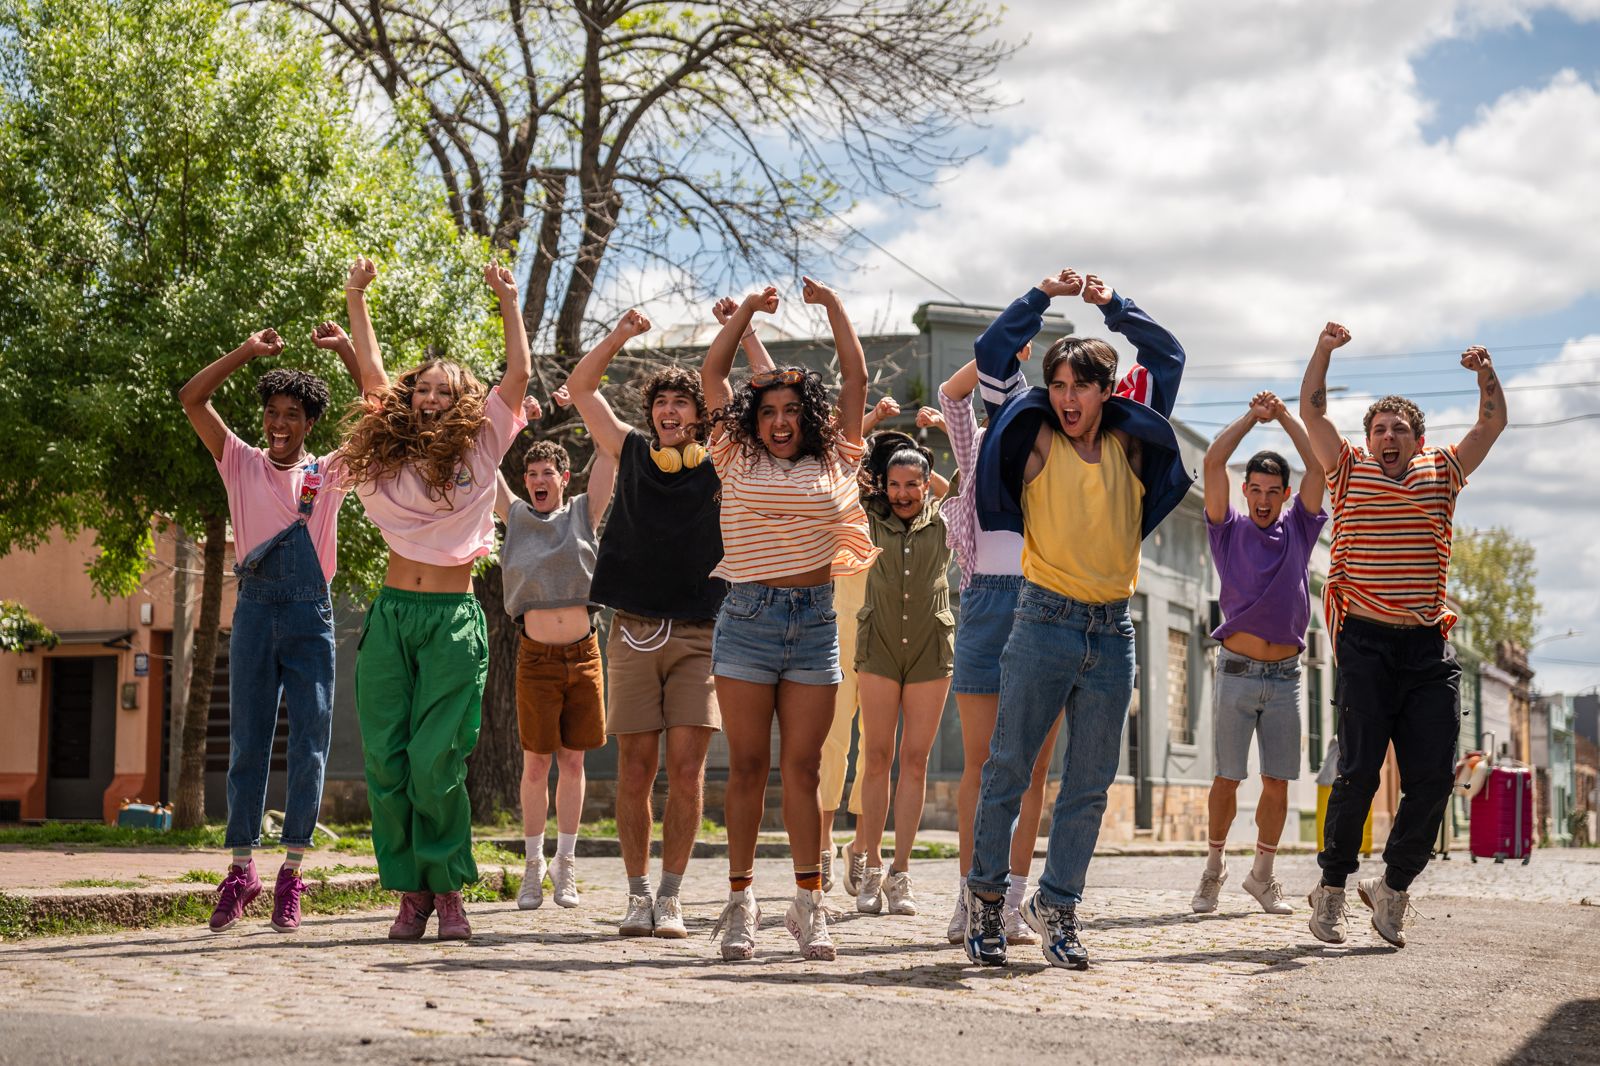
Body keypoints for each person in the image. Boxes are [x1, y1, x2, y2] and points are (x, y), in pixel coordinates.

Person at [964, 269, 1193, 971]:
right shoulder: (1036, 441)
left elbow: (1170, 356)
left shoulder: (1127, 442)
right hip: (1042, 621)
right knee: (1009, 769)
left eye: (1079, 387)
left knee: (1089, 785)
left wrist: (1111, 307)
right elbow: (994, 352)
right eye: (1057, 386)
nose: (1065, 399)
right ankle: (984, 904)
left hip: (1112, 629)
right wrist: (1041, 299)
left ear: (1105, 391)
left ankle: (1059, 909)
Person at [340, 256, 530, 941]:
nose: (431, 397)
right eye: (423, 388)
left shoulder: (482, 450)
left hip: (451, 618)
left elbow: (520, 377)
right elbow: (369, 373)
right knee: (387, 764)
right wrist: (357, 297)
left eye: (446, 391)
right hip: (392, 618)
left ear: (465, 402)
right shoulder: (387, 452)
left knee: (434, 762)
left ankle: (449, 887)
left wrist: (508, 302)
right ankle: (410, 893)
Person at [566, 301, 769, 940]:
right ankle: (636, 894)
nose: (671, 411)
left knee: (686, 772)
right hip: (630, 630)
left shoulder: (723, 460)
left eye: (683, 404)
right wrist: (621, 334)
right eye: (663, 404)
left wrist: (744, 329)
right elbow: (580, 388)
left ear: (700, 416)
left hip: (702, 632)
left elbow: (755, 393)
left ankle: (673, 896)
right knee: (634, 769)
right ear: (652, 413)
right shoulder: (626, 449)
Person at [1299, 323, 1505, 949]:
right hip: (1364, 643)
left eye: (1399, 430)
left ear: (1417, 440)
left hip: (1425, 649)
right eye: (1378, 429)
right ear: (1367, 440)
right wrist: (1325, 352)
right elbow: (1311, 408)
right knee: (1358, 772)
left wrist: (1485, 376)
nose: (1388, 438)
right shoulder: (1345, 469)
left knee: (1434, 778)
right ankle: (1331, 888)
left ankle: (1393, 888)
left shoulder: (1442, 471)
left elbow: (1490, 425)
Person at [700, 278, 877, 961]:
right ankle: (740, 904)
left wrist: (833, 308)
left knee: (802, 772)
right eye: (767, 410)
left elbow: (856, 378)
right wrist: (745, 315)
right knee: (746, 768)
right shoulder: (732, 454)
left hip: (813, 622)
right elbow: (714, 373)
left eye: (790, 411)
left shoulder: (837, 457)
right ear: (755, 418)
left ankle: (809, 904)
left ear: (807, 417)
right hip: (745, 615)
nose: (778, 421)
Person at [179, 324, 361, 933]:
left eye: (292, 415)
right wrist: (247, 351)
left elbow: (381, 414)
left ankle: (291, 873)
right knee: (248, 747)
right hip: (254, 611)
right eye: (272, 413)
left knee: (309, 747)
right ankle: (240, 871)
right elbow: (192, 398)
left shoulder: (329, 474)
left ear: (309, 423)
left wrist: (344, 351)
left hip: (312, 616)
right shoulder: (239, 461)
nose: (279, 425)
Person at [936, 355, 1062, 947]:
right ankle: (970, 893)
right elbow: (951, 395)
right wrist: (1000, 352)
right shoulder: (979, 445)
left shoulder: (1055, 447)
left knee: (1034, 764)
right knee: (984, 763)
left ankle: (1009, 900)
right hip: (987, 606)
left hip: (1048, 604)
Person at [1190, 390, 1327, 917]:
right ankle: (1213, 869)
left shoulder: (1299, 528)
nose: (1265, 499)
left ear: (1286, 494)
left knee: (1278, 780)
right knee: (1227, 778)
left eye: (1275, 491)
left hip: (1287, 677)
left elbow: (1317, 464)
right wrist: (1252, 416)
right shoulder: (1228, 529)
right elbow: (1212, 461)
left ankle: (1262, 876)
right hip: (1236, 673)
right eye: (1258, 490)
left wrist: (1286, 417)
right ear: (1245, 491)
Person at [494, 387, 617, 917]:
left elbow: (612, 452)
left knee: (573, 761)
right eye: (532, 473)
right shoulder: (516, 517)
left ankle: (565, 865)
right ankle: (533, 867)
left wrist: (584, 404)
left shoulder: (584, 514)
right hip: (535, 658)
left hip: (584, 653)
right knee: (535, 763)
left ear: (564, 480)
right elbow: (484, 454)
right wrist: (519, 418)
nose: (539, 481)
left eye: (548, 474)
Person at [851, 433, 953, 917]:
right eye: (894, 485)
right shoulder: (869, 517)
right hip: (880, 648)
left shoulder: (947, 518)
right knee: (876, 755)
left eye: (913, 484)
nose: (903, 494)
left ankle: (901, 872)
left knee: (915, 760)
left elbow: (964, 481)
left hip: (931, 648)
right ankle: (870, 865)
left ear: (928, 484)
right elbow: (847, 465)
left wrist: (934, 457)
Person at [826, 394, 904, 897]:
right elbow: (833, 455)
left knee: (878, 751)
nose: (872, 481)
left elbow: (942, 493)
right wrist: (871, 417)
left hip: (881, 639)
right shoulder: (839, 499)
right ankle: (819, 844)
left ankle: (861, 846)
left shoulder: (899, 515)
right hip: (834, 633)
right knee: (831, 742)